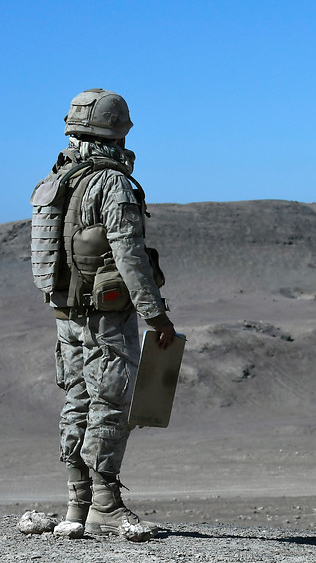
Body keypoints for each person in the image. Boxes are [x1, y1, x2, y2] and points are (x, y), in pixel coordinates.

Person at [30, 88, 177, 534]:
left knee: (76, 401)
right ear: (118, 129)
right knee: (109, 404)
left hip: (65, 317)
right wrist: (156, 317)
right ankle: (106, 507)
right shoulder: (109, 183)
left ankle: (77, 507)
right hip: (106, 318)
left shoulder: (57, 179)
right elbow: (129, 254)